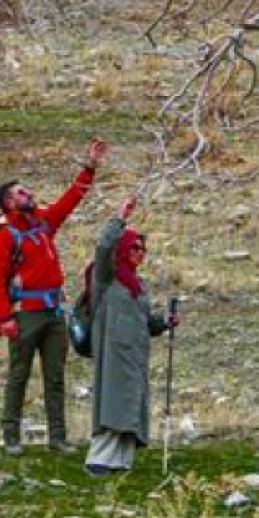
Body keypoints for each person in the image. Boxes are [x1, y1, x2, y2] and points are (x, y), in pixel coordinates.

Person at [0, 138, 106, 455]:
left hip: (54, 313)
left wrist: (89, 167)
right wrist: (5, 318)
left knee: (55, 377)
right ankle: (11, 436)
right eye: (21, 193)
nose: (30, 195)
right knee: (19, 375)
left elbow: (68, 203)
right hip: (25, 314)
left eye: (27, 191)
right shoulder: (4, 237)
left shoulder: (42, 222)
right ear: (9, 203)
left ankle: (58, 438)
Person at [85, 195, 179, 475]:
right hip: (114, 353)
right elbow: (103, 247)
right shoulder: (104, 279)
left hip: (135, 355)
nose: (140, 253)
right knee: (113, 403)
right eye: (135, 247)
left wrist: (165, 322)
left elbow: (146, 323)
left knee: (130, 404)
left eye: (143, 249)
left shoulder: (137, 285)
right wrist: (119, 217)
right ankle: (100, 460)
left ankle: (121, 462)